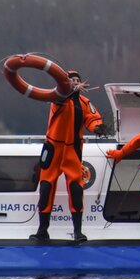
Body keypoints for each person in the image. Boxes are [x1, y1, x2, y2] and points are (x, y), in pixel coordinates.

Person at [30, 70, 106, 242]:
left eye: (77, 80)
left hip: (72, 150)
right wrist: (68, 89)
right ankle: (42, 230)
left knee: (76, 189)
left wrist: (97, 127)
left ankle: (78, 231)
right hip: (53, 148)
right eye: (71, 80)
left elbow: (92, 118)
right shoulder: (57, 98)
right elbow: (60, 99)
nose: (75, 82)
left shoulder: (85, 102)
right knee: (46, 188)